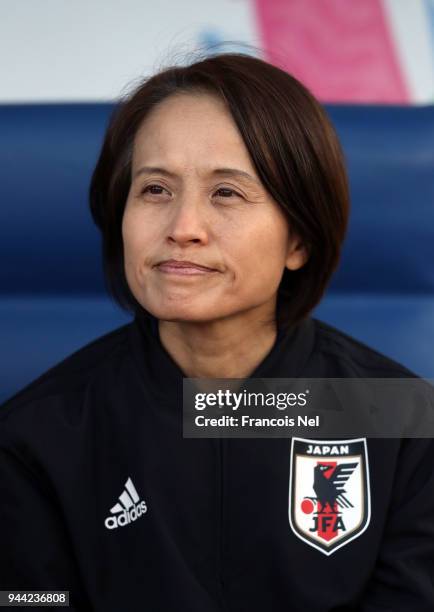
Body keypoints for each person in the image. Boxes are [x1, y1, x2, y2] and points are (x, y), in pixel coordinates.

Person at [0, 52, 433, 611]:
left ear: (298, 240)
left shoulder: (406, 423)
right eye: (155, 190)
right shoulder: (36, 438)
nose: (183, 229)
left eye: (226, 193)